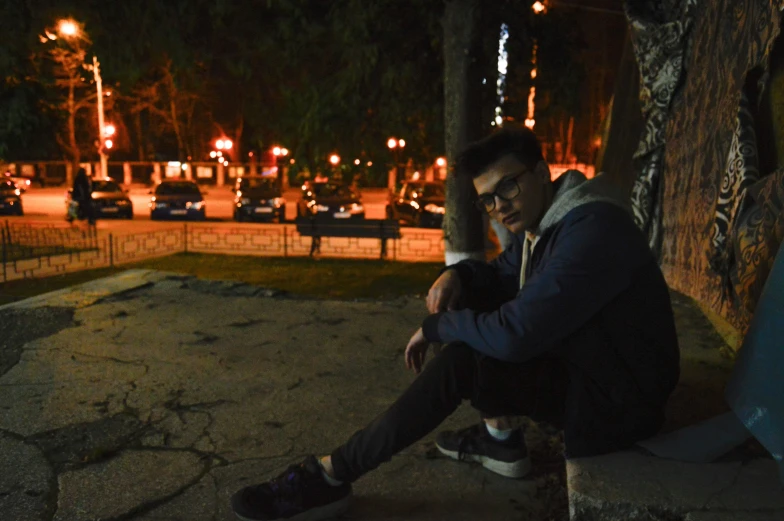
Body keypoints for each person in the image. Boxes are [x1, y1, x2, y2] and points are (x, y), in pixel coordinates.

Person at [230, 128, 680, 521]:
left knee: (465, 357)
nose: (499, 207)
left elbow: (516, 334)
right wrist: (457, 274)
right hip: (595, 369)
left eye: (508, 187)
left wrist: (436, 328)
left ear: (542, 172)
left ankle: (330, 474)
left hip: (621, 405)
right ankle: (498, 438)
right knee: (470, 300)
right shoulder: (552, 219)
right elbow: (502, 272)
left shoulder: (590, 230)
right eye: (487, 199)